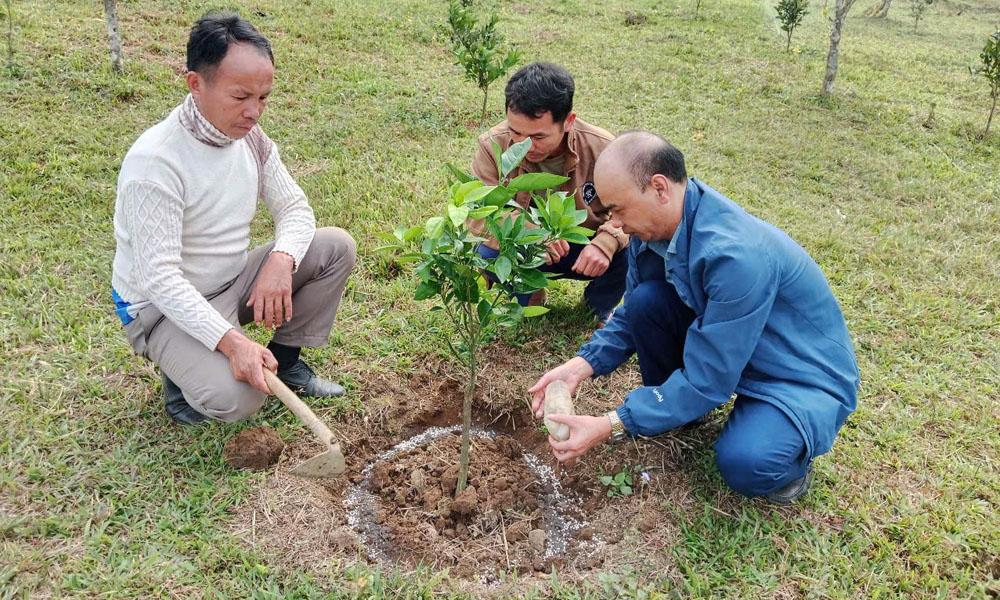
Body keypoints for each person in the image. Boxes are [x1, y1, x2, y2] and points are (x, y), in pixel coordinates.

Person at [528, 131, 860, 504]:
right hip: (732, 346)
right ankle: (676, 409)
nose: (615, 225)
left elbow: (709, 378)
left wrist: (611, 425)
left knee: (747, 462)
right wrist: (579, 366)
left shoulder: (735, 257)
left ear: (659, 188)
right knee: (645, 301)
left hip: (795, 371)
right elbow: (630, 312)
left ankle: (789, 458)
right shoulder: (651, 230)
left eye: (618, 210)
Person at [111, 12, 356, 425]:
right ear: (196, 85)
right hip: (161, 309)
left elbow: (295, 209)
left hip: (230, 280)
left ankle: (286, 360)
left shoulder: (252, 140)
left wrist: (282, 260)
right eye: (240, 97)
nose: (254, 112)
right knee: (241, 399)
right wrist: (231, 342)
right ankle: (180, 391)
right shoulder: (155, 163)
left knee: (335, 247)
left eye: (263, 98)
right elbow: (161, 279)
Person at [470, 62, 629, 326]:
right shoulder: (492, 146)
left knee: (634, 250)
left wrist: (606, 243)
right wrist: (527, 232)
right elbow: (478, 212)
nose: (523, 145)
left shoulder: (604, 148)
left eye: (538, 136)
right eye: (515, 132)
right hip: (527, 248)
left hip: (584, 246)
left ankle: (596, 308)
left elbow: (630, 211)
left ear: (568, 122)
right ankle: (529, 294)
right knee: (486, 254)